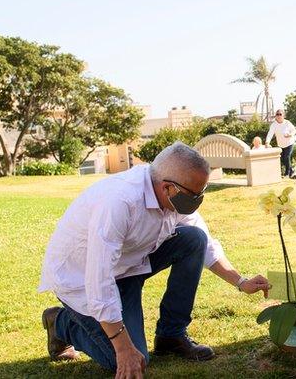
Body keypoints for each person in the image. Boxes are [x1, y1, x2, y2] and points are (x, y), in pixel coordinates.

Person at [38, 142, 271, 378]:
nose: (198, 200)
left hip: (130, 266)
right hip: (81, 280)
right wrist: (123, 347)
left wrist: (241, 282)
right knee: (124, 357)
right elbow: (99, 279)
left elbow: (206, 244)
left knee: (194, 239)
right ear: (167, 187)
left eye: (202, 192)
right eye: (194, 195)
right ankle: (59, 322)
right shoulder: (120, 202)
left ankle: (171, 334)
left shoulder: (176, 196)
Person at [265, 109, 296, 177]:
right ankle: (292, 171)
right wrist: (267, 142)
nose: (278, 116)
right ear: (275, 116)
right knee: (283, 159)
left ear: (283, 116)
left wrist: (290, 135)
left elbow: (294, 130)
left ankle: (287, 173)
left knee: (286, 157)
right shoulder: (274, 125)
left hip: (289, 143)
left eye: (280, 114)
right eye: (277, 114)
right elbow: (270, 134)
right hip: (281, 145)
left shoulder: (287, 123)